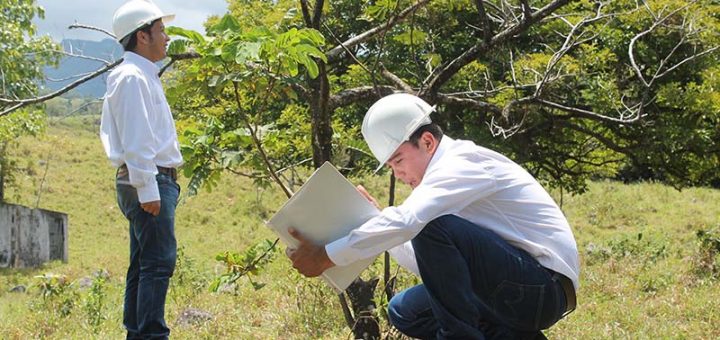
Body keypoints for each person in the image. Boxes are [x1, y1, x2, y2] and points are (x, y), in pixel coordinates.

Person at [287, 93, 579, 339]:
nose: (398, 173)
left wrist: (327, 256)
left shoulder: (462, 163)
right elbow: (432, 265)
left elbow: (411, 223)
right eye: (390, 167)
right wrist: (375, 218)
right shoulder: (435, 190)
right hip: (513, 292)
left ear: (427, 142)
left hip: (542, 290)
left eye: (398, 160)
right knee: (404, 310)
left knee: (430, 225)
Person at [99, 1, 181, 338]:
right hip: (148, 180)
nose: (166, 37)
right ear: (142, 35)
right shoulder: (132, 77)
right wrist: (149, 189)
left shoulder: (140, 74)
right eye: (161, 30)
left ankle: (138, 333)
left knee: (144, 264)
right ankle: (149, 334)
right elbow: (136, 139)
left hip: (147, 179)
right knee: (158, 264)